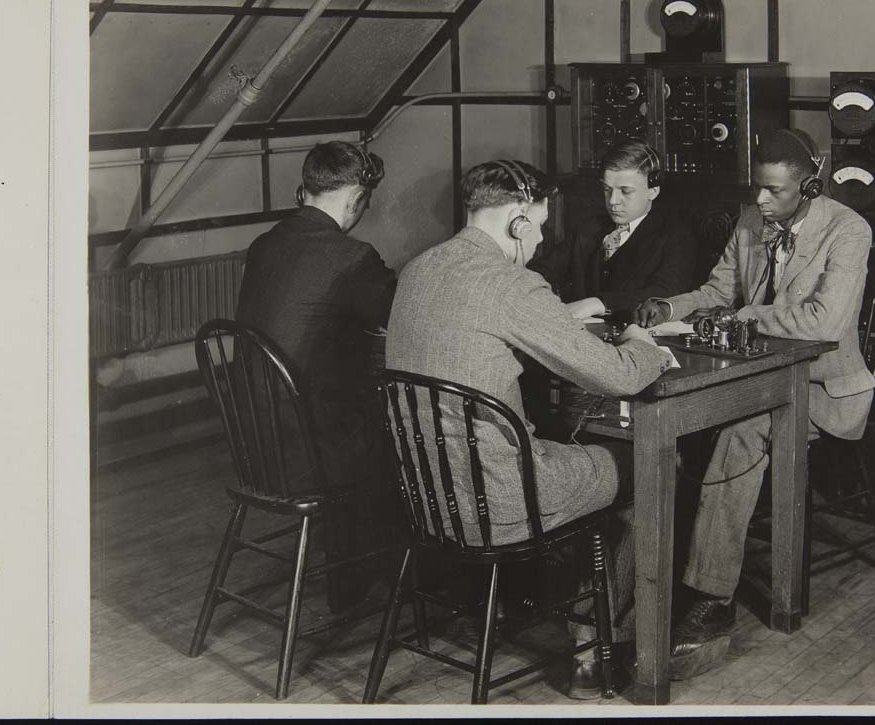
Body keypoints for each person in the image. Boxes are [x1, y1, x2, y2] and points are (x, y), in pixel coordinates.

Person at [387, 159, 674, 699]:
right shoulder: (512, 284)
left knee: (565, 443)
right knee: (650, 461)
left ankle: (558, 608)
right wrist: (641, 342)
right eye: (539, 226)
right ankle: (597, 648)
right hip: (499, 500)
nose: (540, 241)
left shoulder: (417, 269)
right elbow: (618, 375)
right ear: (518, 221)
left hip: (431, 498)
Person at [634, 128, 875, 680]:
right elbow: (719, 292)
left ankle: (712, 600)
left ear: (808, 186)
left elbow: (824, 323)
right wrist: (670, 304)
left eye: (775, 192)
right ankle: (668, 573)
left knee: (739, 433)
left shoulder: (848, 230)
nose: (761, 201)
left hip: (820, 390)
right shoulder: (750, 221)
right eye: (757, 189)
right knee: (683, 421)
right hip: (752, 375)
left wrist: (740, 318)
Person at [235, 140, 397, 611]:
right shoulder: (352, 256)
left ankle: (353, 560)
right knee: (408, 439)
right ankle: (361, 583)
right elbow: (400, 315)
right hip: (310, 455)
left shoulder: (263, 245)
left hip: (256, 444)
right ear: (353, 201)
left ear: (302, 191)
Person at [530, 139, 697, 324]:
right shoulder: (589, 228)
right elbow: (544, 270)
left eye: (625, 191)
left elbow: (667, 294)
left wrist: (600, 303)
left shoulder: (676, 236)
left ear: (653, 191)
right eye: (607, 190)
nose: (612, 201)